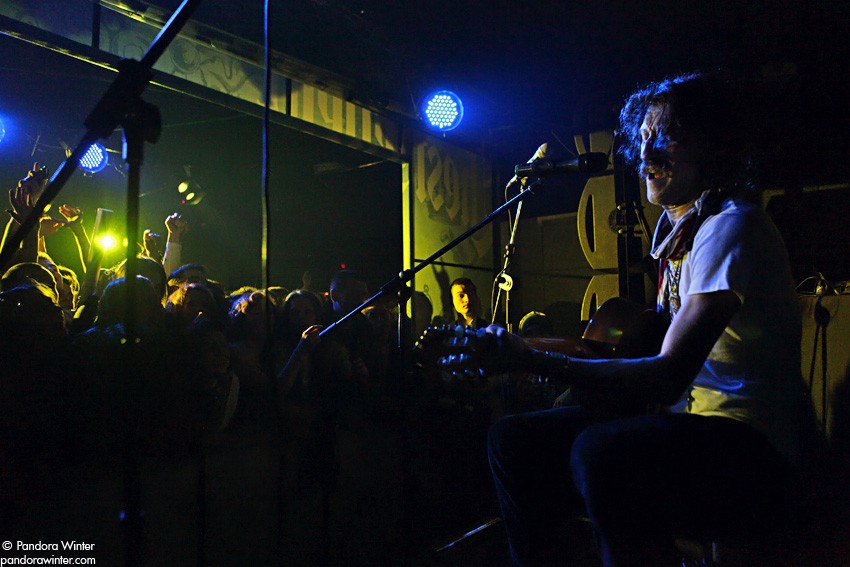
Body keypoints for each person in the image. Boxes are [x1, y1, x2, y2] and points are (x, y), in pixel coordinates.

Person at [480, 72, 814, 566]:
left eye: (666, 135)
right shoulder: (684, 233)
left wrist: (532, 358)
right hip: (691, 429)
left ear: (712, 144)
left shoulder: (731, 226)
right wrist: (517, 347)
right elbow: (632, 350)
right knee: (515, 440)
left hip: (752, 446)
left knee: (602, 450)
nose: (646, 153)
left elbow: (668, 371)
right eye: (643, 138)